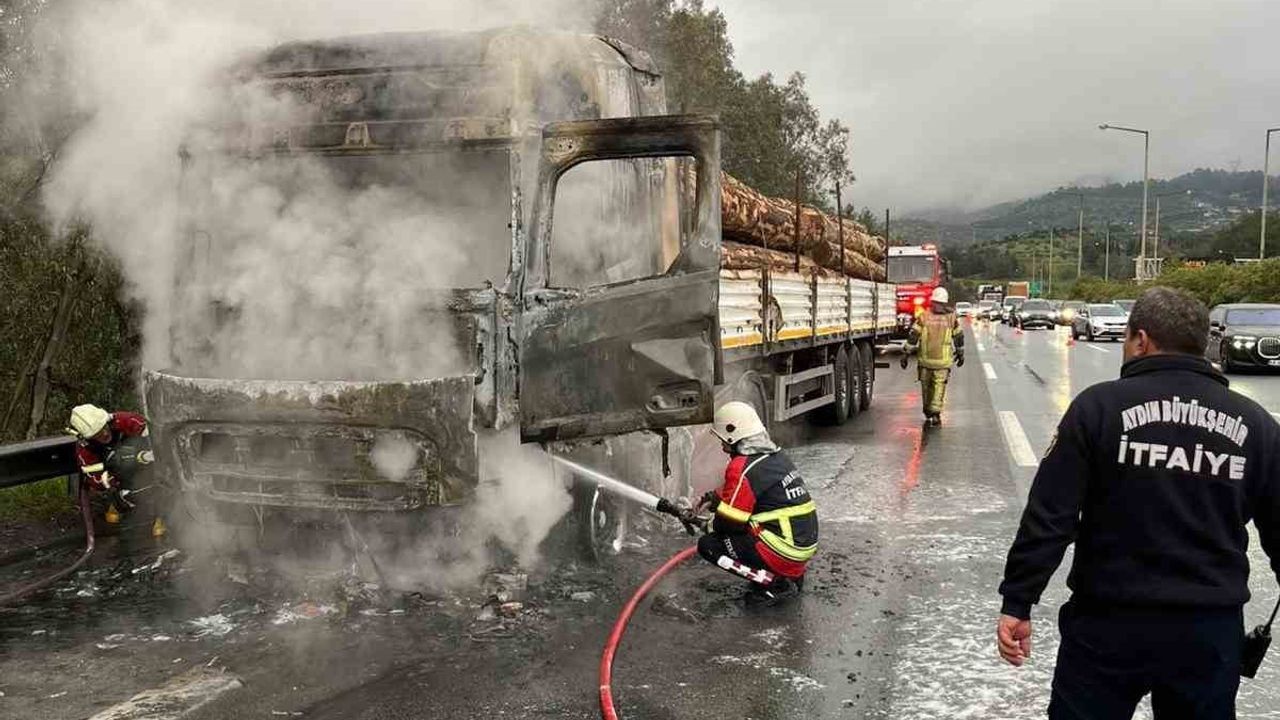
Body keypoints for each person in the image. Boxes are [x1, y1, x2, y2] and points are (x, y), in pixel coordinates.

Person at [996, 287, 1280, 719]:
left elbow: (1050, 518)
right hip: (1207, 631)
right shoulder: (1255, 424)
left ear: (1140, 340)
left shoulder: (1098, 408)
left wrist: (1018, 602)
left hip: (1107, 624)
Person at [694, 401, 819, 606]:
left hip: (783, 551)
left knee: (709, 545)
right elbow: (746, 492)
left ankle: (774, 583)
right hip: (800, 547)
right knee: (744, 528)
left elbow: (731, 524)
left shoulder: (740, 466)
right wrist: (712, 498)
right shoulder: (775, 457)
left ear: (734, 434)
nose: (722, 446)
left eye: (723, 440)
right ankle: (790, 575)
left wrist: (705, 525)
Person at [68, 404, 155, 524]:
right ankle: (118, 505)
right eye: (97, 434)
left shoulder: (126, 420)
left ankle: (164, 514)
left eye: (104, 427)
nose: (104, 434)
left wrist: (145, 451)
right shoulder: (85, 448)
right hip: (121, 479)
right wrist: (114, 472)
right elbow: (94, 478)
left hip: (151, 465)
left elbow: (153, 433)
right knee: (126, 498)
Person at [900, 287, 964, 425]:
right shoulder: (951, 318)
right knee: (938, 387)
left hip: (925, 361)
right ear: (945, 302)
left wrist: (906, 354)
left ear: (932, 301)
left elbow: (913, 337)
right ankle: (935, 413)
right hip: (942, 362)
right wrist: (960, 353)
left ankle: (928, 411)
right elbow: (959, 337)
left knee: (926, 387)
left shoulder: (924, 316)